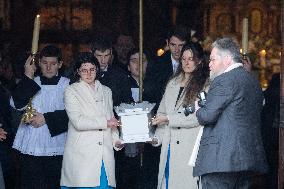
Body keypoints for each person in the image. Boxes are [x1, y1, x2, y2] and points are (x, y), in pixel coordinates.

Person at [193, 38, 268, 189]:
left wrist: (198, 109)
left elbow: (207, 116)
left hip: (221, 160)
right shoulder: (253, 82)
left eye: (213, 59)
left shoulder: (223, 80)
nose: (209, 64)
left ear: (227, 59)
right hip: (247, 160)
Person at [151, 42, 209, 189]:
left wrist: (169, 119)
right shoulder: (172, 82)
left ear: (200, 61)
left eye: (191, 59)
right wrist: (156, 138)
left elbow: (198, 116)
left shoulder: (205, 85)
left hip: (189, 146)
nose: (187, 62)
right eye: (184, 59)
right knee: (168, 183)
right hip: (169, 146)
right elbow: (162, 114)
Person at [10, 45, 69, 189]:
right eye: (44, 63)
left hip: (57, 145)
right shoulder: (32, 82)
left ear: (60, 64)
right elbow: (16, 104)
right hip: (32, 145)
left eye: (53, 64)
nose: (48, 67)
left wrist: (46, 119)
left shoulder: (68, 85)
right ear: (38, 63)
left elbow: (75, 114)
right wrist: (27, 77)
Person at [60, 52, 123, 188]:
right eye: (84, 70)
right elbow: (78, 122)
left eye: (92, 69)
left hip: (104, 155)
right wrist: (105, 123)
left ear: (97, 69)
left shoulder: (107, 91)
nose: (88, 73)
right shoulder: (71, 91)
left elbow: (111, 117)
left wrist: (116, 141)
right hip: (82, 155)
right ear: (78, 71)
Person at [144, 25, 188, 110]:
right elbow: (150, 93)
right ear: (167, 43)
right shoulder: (156, 64)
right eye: (173, 45)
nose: (177, 49)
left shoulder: (193, 63)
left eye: (181, 45)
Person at [91, 35, 133, 106]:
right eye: (99, 56)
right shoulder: (84, 74)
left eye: (106, 56)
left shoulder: (120, 75)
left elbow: (127, 102)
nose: (103, 61)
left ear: (111, 54)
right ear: (92, 54)